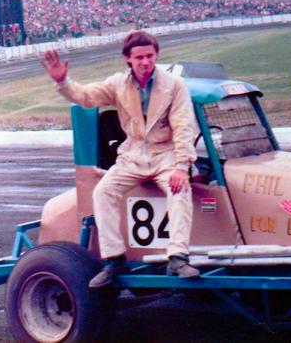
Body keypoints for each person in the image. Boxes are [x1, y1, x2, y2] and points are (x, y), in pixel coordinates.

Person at [41, 31, 200, 287]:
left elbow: (184, 127)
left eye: (150, 56)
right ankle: (114, 259)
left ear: (156, 55)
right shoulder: (118, 84)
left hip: (166, 155)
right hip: (133, 154)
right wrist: (63, 82)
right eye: (139, 57)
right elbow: (86, 97)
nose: (145, 62)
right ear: (128, 59)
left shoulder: (174, 85)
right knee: (103, 191)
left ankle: (178, 258)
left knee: (180, 189)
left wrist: (182, 166)